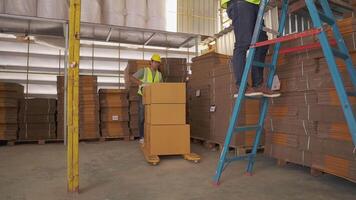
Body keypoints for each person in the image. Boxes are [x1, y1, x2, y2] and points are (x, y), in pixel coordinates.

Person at [221, 0, 280, 98]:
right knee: (243, 43)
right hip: (240, 3)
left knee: (262, 43)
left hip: (254, 4)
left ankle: (258, 84)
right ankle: (242, 86)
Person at [130, 54, 163, 144]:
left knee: (153, 117)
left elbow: (161, 86)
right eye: (155, 62)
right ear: (151, 62)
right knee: (142, 116)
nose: (157, 64)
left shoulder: (159, 75)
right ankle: (142, 136)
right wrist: (141, 83)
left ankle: (152, 136)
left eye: (158, 63)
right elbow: (132, 78)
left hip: (154, 98)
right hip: (143, 96)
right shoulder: (144, 71)